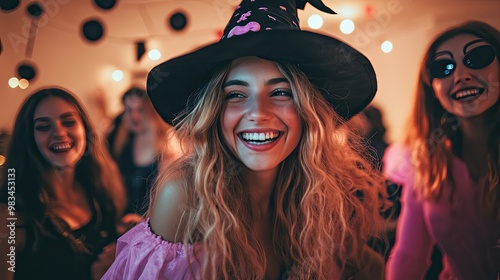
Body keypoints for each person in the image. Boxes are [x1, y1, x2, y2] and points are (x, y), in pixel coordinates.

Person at [104, 0, 387, 279]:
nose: (258, 113)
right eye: (236, 95)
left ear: (307, 110)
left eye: (280, 93)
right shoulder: (186, 195)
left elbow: (370, 265)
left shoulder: (319, 191)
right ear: (214, 112)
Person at [384, 21, 500, 279]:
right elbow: (408, 256)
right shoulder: (424, 162)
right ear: (432, 89)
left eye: (477, 58)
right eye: (443, 68)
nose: (460, 76)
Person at [0, 87, 127, 280]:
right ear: (29, 139)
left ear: (85, 129)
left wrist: (126, 234)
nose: (59, 132)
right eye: (43, 127)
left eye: (68, 122)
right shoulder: (9, 216)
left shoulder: (100, 189)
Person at [107, 87, 176, 216]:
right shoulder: (122, 142)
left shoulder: (168, 143)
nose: (134, 116)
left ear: (150, 111)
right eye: (128, 110)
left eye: (140, 110)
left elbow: (168, 193)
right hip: (127, 217)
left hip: (155, 218)